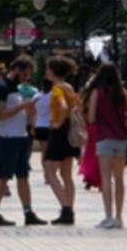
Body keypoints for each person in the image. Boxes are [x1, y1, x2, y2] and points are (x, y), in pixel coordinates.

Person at [0, 57, 46, 226]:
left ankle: (28, 212)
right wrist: (22, 107)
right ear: (16, 69)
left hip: (20, 136)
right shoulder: (3, 87)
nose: (26, 78)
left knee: (23, 176)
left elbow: (15, 113)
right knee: (3, 176)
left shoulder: (17, 88)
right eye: (24, 74)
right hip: (7, 137)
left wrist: (28, 111)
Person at [85, 64, 127, 229]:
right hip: (121, 138)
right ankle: (119, 216)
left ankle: (108, 216)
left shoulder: (97, 93)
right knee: (119, 179)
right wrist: (123, 123)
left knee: (106, 178)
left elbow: (91, 118)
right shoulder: (123, 92)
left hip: (104, 138)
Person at [42, 57, 80, 225]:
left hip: (59, 132)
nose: (46, 72)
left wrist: (58, 122)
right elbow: (77, 105)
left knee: (50, 171)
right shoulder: (69, 87)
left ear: (53, 71)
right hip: (69, 131)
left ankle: (65, 208)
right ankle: (69, 209)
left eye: (48, 69)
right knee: (67, 175)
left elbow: (63, 106)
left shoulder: (57, 88)